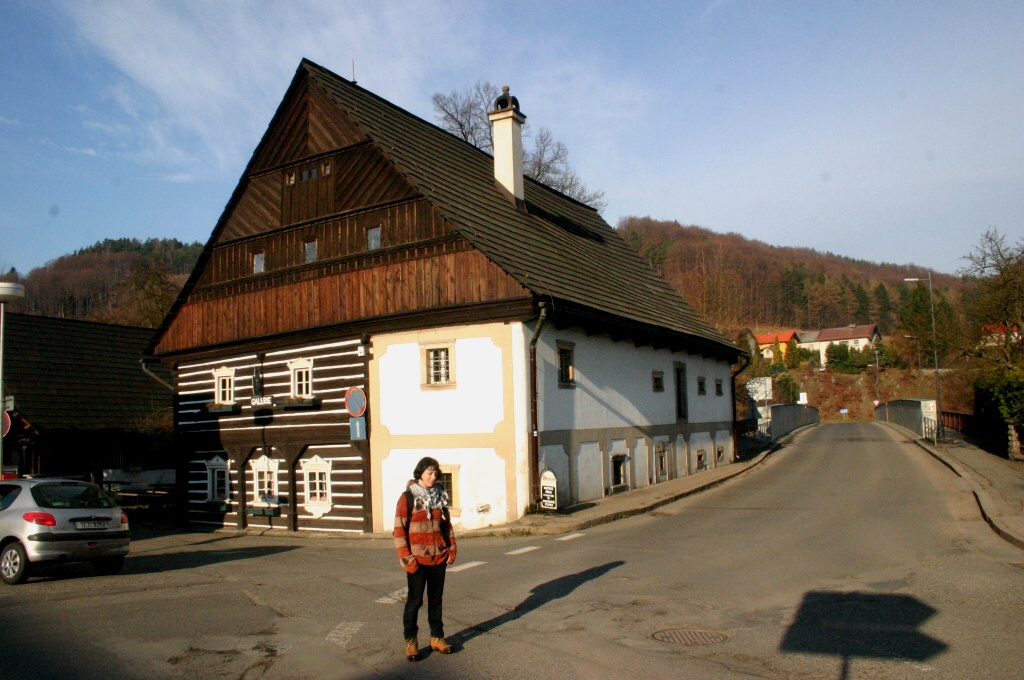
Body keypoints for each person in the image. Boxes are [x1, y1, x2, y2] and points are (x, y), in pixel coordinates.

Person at [393, 456, 457, 661]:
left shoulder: (440, 495)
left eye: (435, 472)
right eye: (429, 472)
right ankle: (411, 641)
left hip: (439, 557)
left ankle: (437, 637)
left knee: (436, 600)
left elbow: (446, 525)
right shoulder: (408, 497)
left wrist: (452, 548)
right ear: (420, 473)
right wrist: (407, 558)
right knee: (415, 601)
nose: (433, 476)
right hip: (417, 560)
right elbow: (399, 531)